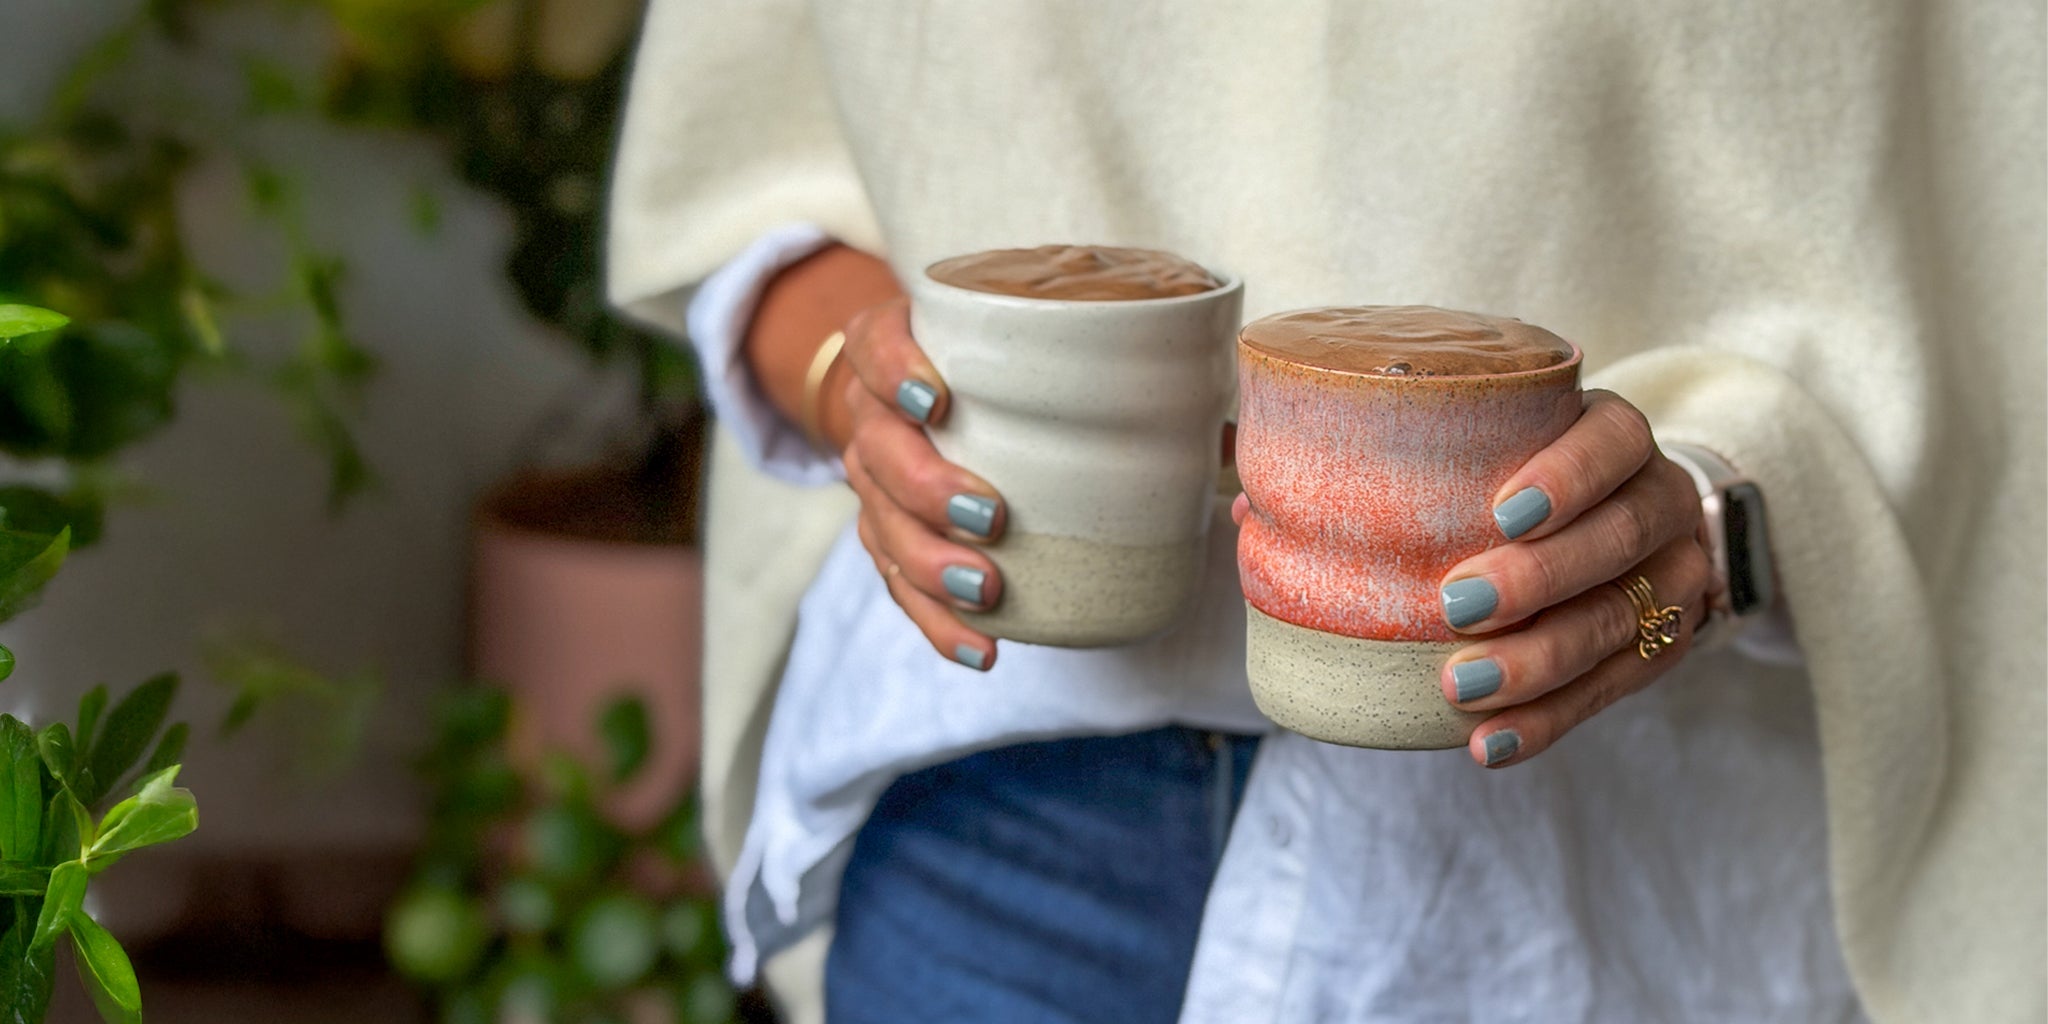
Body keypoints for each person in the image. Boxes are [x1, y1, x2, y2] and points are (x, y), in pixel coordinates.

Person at [607, 2, 2045, 1022]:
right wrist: (865, 378)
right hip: (1000, 811)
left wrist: (1708, 547)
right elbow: (748, 189)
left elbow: (1995, 270)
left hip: (1638, 872)